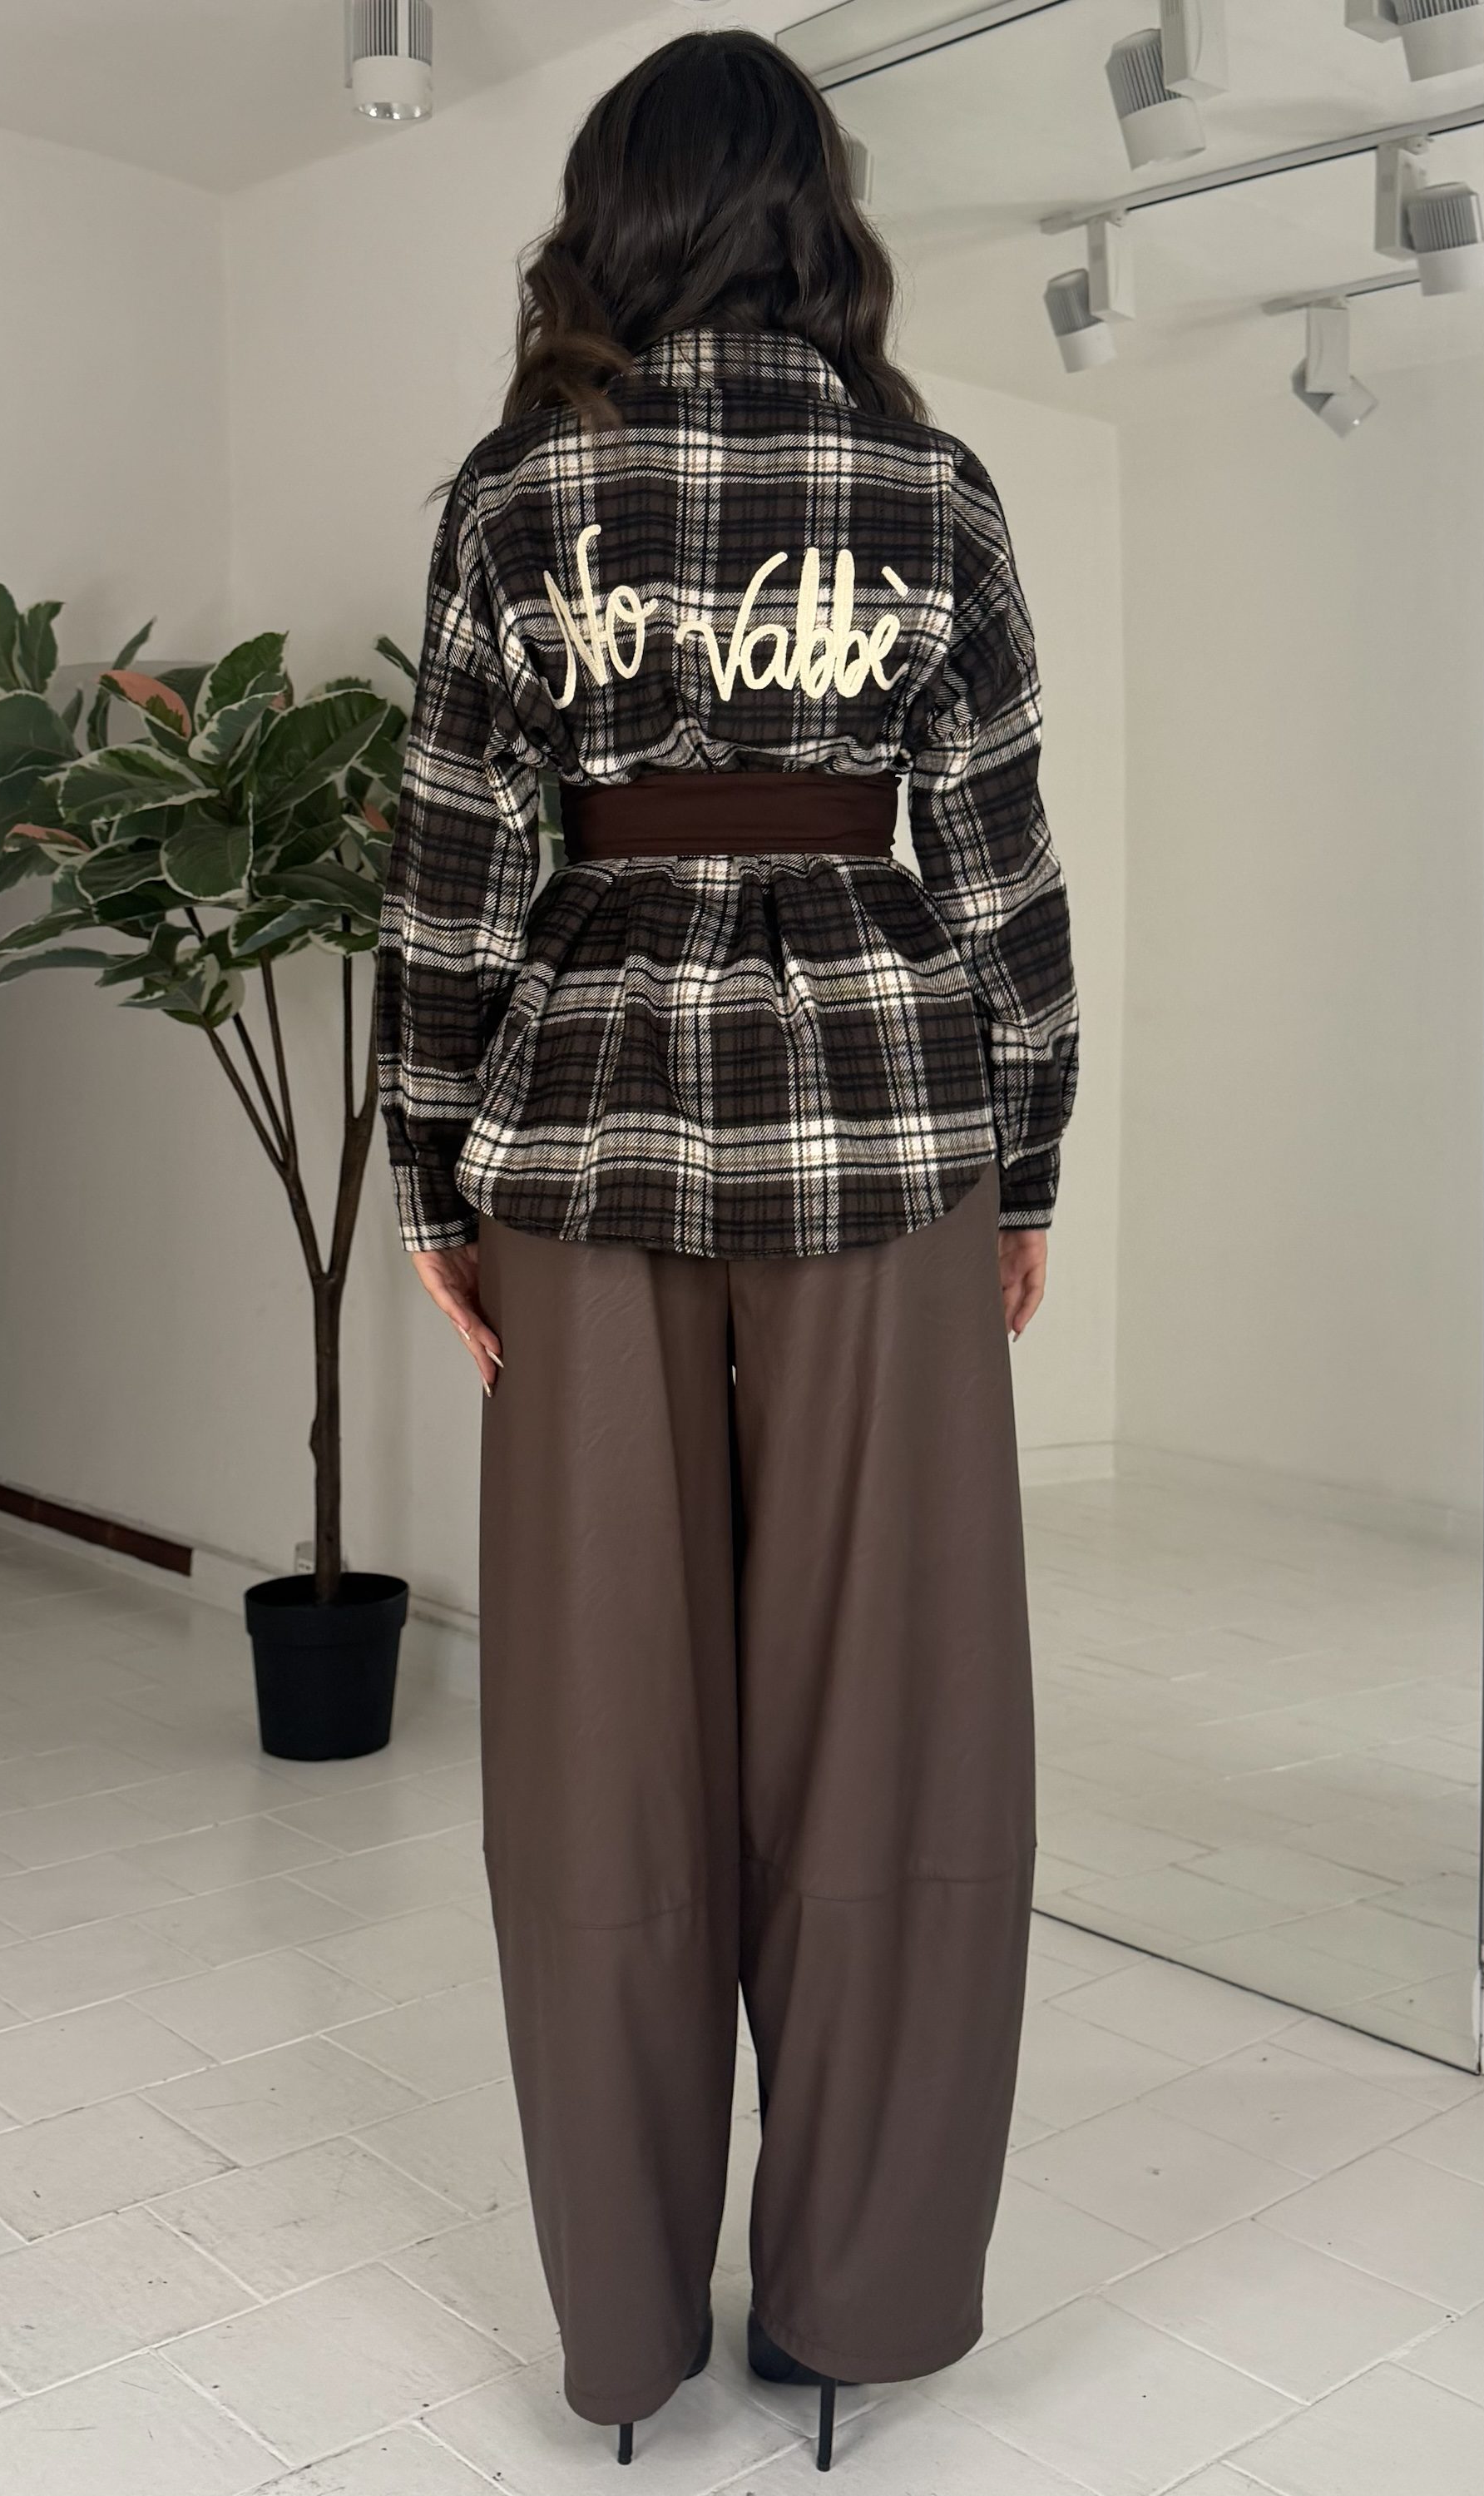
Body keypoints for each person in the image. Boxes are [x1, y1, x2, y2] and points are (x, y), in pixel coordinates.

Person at [374, 27, 1078, 2472]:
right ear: (815, 214)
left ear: (613, 216)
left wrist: (431, 1174)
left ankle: (621, 2342)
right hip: (891, 1125)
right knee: (899, 1731)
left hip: (580, 1139)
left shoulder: (516, 495)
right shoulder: (930, 485)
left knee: (598, 1750)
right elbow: (996, 863)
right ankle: (856, 2310)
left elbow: (451, 873)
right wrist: (1026, 1163)